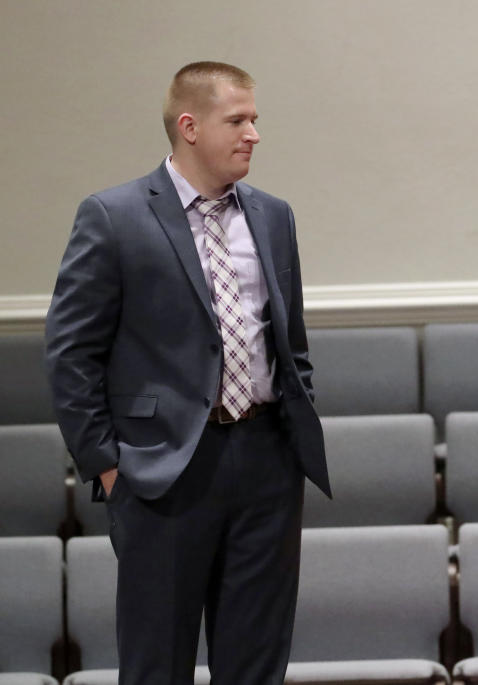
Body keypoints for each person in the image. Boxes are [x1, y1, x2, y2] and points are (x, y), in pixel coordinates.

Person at [45, 61, 329, 684]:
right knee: (157, 666)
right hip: (161, 470)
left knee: (256, 666)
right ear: (190, 126)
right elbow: (71, 354)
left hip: (266, 463)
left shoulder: (274, 215)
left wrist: (291, 444)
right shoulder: (113, 215)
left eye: (255, 119)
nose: (254, 133)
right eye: (239, 120)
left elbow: (292, 344)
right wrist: (109, 466)